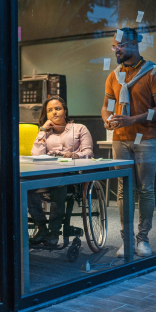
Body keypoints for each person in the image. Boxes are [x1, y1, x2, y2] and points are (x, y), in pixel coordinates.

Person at [101, 27, 156, 258]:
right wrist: (107, 120)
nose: (116, 49)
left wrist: (133, 119)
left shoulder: (154, 73)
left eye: (119, 45)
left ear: (133, 44)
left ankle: (143, 239)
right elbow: (107, 107)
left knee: (146, 190)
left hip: (146, 138)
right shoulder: (114, 76)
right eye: (114, 46)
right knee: (123, 191)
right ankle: (127, 240)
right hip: (120, 140)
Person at [28, 96, 94, 246]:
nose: (54, 113)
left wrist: (75, 155)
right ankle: (41, 227)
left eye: (57, 109)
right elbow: (37, 155)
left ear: (65, 111)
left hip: (72, 175)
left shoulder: (79, 128)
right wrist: (43, 130)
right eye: (50, 110)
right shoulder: (47, 132)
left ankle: (54, 231)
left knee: (59, 185)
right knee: (26, 188)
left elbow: (88, 152)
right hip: (49, 173)